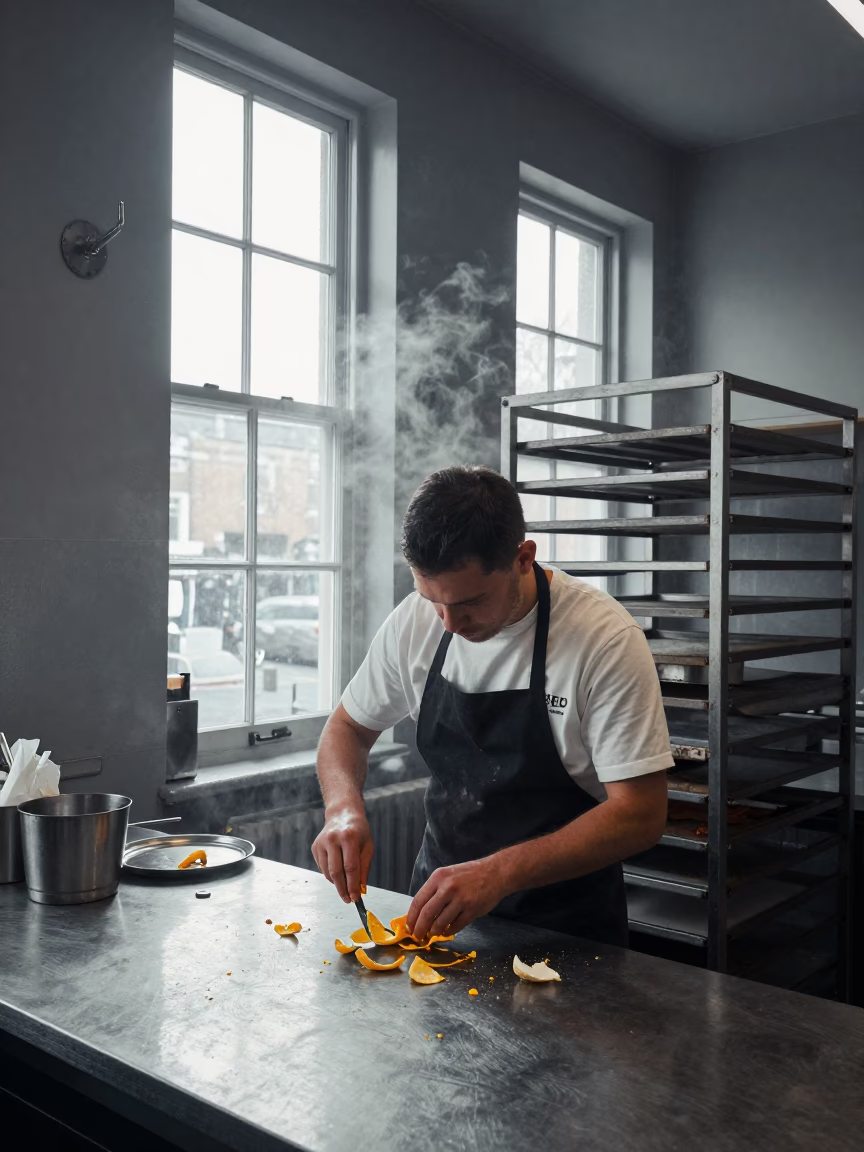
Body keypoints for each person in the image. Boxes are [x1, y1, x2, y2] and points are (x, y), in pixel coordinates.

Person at [312, 466, 672, 946]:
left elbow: (641, 814)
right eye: (432, 601)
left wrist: (499, 873)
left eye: (470, 603)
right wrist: (342, 809)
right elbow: (347, 729)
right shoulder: (416, 623)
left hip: (568, 931)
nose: (449, 624)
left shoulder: (603, 639)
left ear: (523, 558)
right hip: (439, 922)